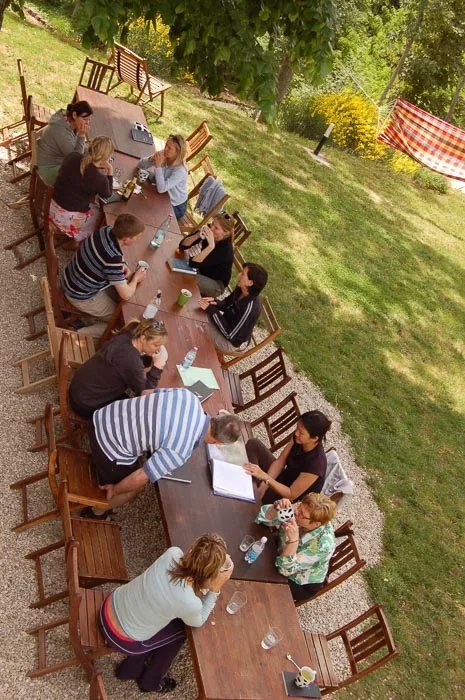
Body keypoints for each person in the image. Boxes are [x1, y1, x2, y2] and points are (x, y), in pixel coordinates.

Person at [100, 534, 233, 693]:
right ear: (210, 574)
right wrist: (216, 589)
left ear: (192, 549)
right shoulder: (189, 602)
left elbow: (179, 581)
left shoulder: (172, 553)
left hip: (108, 607)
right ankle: (151, 681)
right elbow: (199, 620)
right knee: (180, 631)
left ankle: (131, 669)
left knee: (168, 615)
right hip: (121, 637)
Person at [81, 388, 243, 519]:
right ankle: (95, 512)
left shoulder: (189, 397)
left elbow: (146, 393)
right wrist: (115, 489)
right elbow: (140, 476)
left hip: (102, 416)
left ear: (218, 417)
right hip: (107, 446)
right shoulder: (181, 450)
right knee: (135, 488)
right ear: (218, 443)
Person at [62, 213, 148, 338]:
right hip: (79, 295)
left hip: (71, 278)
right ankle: (77, 335)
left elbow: (115, 256)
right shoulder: (112, 258)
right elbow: (127, 294)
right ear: (127, 239)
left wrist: (122, 264)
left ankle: (88, 319)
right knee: (120, 321)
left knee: (116, 299)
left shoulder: (106, 230)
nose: (139, 239)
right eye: (138, 236)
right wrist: (136, 278)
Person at [69, 319, 169, 419]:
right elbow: (146, 394)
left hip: (78, 389)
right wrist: (158, 366)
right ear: (143, 339)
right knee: (135, 411)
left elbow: (127, 366)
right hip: (86, 404)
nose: (158, 349)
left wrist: (151, 358)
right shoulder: (131, 360)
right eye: (156, 345)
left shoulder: (127, 336)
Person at [256, 494, 336, 603]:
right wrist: (276, 507)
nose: (296, 512)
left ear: (316, 524)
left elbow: (284, 570)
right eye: (299, 507)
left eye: (302, 514)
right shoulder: (301, 510)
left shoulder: (323, 545)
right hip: (279, 552)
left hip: (298, 580)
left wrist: (293, 541)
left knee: (260, 583)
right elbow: (263, 519)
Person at [243, 410, 331, 504]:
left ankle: (250, 483)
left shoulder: (316, 464)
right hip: (281, 478)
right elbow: (280, 462)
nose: (296, 433)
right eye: (297, 428)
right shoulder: (298, 439)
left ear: (314, 438)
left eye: (301, 433)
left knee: (253, 489)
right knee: (254, 444)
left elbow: (291, 494)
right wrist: (264, 485)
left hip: (286, 500)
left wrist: (265, 477)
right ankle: (251, 481)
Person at [50, 135, 114, 243]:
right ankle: (75, 240)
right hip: (63, 218)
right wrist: (110, 171)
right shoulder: (99, 178)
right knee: (99, 215)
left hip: (50, 204)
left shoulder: (73, 156)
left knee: (87, 203)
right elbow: (107, 194)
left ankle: (67, 233)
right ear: (105, 158)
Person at [199, 262, 268, 353]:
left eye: (243, 274)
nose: (239, 274)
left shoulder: (249, 308)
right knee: (198, 313)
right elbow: (227, 303)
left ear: (250, 282)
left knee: (198, 326)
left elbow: (230, 335)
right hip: (224, 326)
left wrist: (212, 311)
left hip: (228, 342)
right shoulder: (241, 289)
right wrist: (215, 302)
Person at [37, 100, 93, 185]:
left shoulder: (69, 123)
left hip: (58, 164)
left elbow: (78, 148)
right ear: (74, 115)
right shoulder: (61, 130)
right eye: (85, 119)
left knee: (87, 171)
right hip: (48, 169)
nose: (87, 123)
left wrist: (94, 155)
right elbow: (75, 159)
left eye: (89, 119)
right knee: (81, 178)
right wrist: (81, 135)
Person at [179, 212, 234, 297]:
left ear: (225, 232)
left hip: (216, 285)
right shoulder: (210, 231)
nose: (211, 229)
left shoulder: (225, 251)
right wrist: (198, 235)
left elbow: (193, 264)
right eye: (212, 224)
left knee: (186, 277)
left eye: (216, 228)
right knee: (178, 267)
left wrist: (210, 246)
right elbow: (182, 246)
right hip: (202, 271)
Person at [137, 134, 188, 220]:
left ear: (177, 152)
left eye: (169, 148)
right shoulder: (164, 154)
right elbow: (140, 165)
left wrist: (158, 166)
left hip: (174, 204)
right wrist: (150, 159)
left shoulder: (180, 171)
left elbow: (161, 189)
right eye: (166, 145)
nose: (165, 149)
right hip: (162, 189)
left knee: (151, 215)